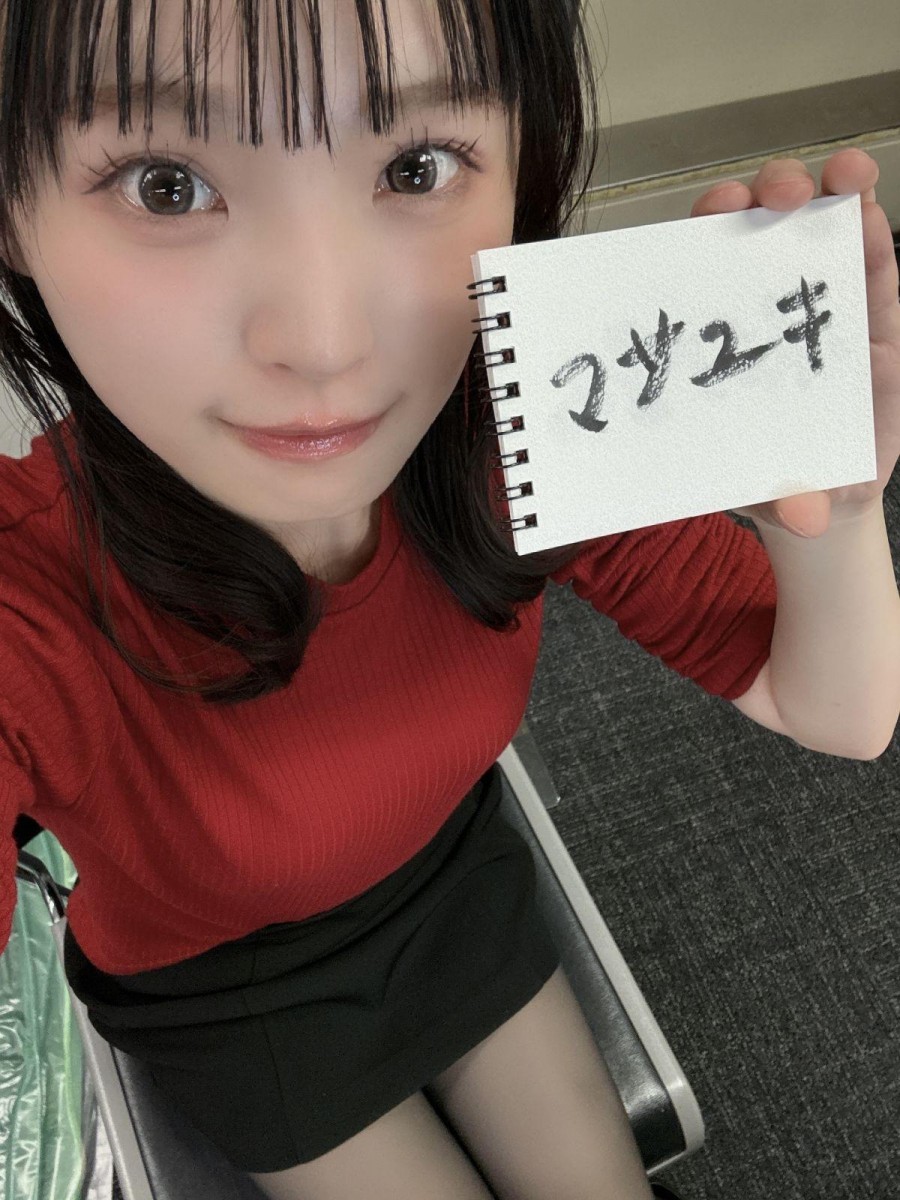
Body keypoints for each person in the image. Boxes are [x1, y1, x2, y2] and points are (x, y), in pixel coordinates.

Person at [1, 1, 898, 1198]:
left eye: (417, 166)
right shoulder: (28, 595)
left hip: (451, 876)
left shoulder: (524, 422)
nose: (324, 343)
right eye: (167, 187)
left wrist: (837, 512)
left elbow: (836, 711)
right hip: (228, 987)